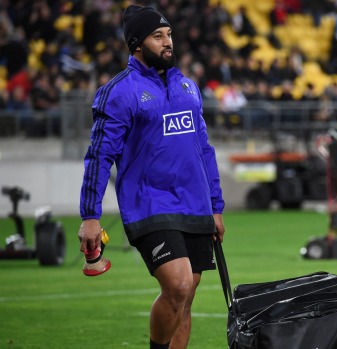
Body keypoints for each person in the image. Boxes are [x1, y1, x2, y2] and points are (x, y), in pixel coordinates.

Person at [77, 5, 225, 349]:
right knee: (177, 285)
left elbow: (204, 150)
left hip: (195, 204)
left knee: (185, 299)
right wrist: (90, 215)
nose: (167, 41)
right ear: (137, 44)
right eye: (158, 36)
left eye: (169, 34)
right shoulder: (120, 91)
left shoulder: (188, 87)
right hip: (150, 204)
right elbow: (100, 155)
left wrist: (215, 206)